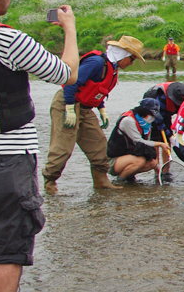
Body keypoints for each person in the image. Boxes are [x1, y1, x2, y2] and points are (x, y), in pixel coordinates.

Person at [0, 0, 78, 292]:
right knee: (7, 242)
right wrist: (69, 28)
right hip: (7, 156)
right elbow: (66, 74)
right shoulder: (7, 39)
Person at [43, 35, 144, 193]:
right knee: (63, 147)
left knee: (98, 145)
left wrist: (101, 108)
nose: (131, 63)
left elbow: (97, 90)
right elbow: (72, 81)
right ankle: (49, 182)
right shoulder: (96, 63)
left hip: (86, 108)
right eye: (131, 59)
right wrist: (69, 108)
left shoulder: (112, 69)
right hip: (68, 103)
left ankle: (100, 181)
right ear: (123, 54)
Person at [106, 98, 169, 182]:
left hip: (128, 157)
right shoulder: (128, 120)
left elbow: (146, 146)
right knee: (140, 161)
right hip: (113, 160)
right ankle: (120, 180)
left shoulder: (146, 125)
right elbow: (138, 141)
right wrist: (160, 144)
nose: (153, 118)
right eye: (152, 115)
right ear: (144, 112)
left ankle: (130, 177)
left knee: (153, 163)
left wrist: (156, 168)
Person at [141, 81, 184, 178]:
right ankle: (157, 169)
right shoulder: (161, 100)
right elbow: (159, 121)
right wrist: (169, 135)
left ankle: (166, 170)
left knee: (168, 140)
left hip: (166, 112)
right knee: (157, 139)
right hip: (154, 112)